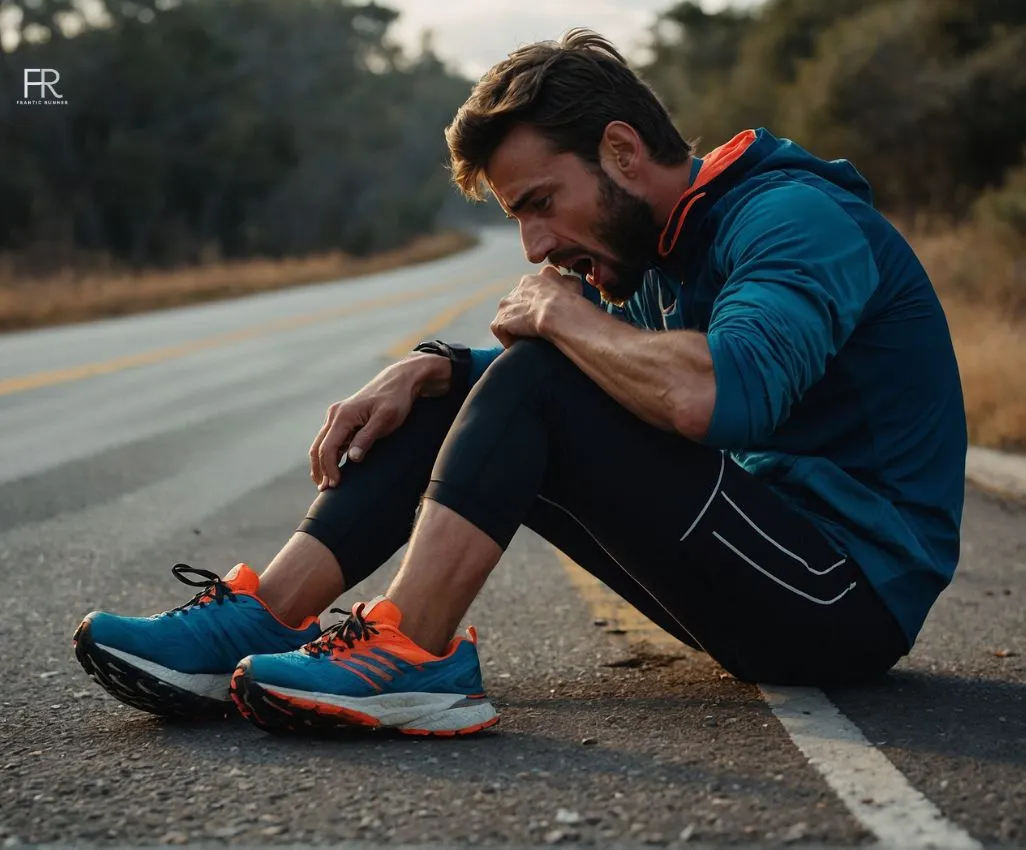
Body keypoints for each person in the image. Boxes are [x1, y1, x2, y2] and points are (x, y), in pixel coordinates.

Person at [72, 29, 967, 737]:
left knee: (543, 370)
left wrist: (559, 316)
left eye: (540, 202)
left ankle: (411, 656)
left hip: (841, 601)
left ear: (621, 151)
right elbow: (615, 384)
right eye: (519, 219)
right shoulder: (657, 250)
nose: (535, 249)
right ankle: (261, 620)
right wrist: (439, 363)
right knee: (454, 385)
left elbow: (716, 395)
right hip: (757, 571)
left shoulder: (793, 217)